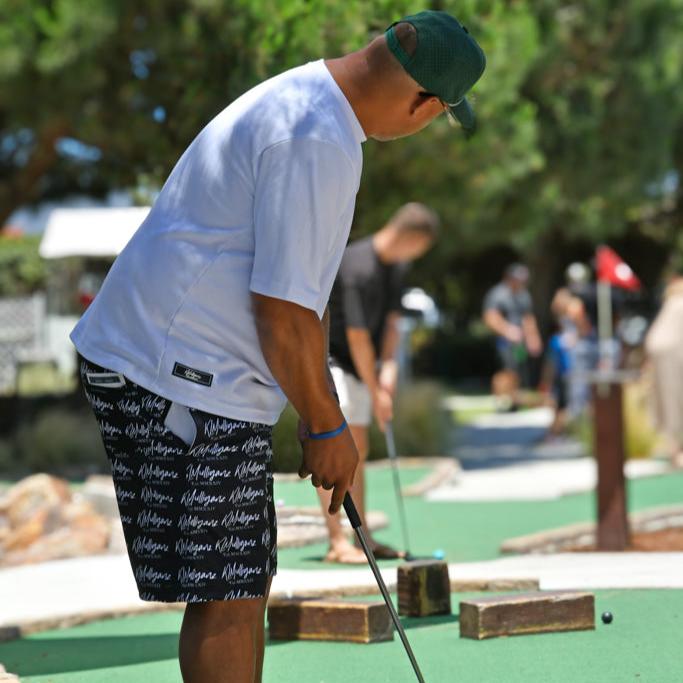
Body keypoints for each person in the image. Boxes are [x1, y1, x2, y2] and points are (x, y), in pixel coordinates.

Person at [69, 11, 485, 683]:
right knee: (228, 591)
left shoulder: (304, 97)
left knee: (241, 579)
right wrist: (325, 424)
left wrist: (316, 412)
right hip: (176, 375)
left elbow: (289, 308)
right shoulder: (318, 136)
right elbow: (284, 313)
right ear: (420, 102)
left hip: (178, 367)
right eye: (436, 116)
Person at [319, 203, 439, 563]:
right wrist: (376, 391)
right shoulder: (356, 265)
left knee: (358, 452)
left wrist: (389, 371)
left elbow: (391, 323)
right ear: (412, 238)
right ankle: (338, 541)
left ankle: (363, 537)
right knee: (336, 449)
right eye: (422, 247)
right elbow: (355, 336)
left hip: (364, 365)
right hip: (334, 361)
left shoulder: (396, 267)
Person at [482, 263, 542, 409]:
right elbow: (490, 317)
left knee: (518, 371)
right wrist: (507, 330)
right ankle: (501, 400)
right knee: (506, 370)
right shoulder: (497, 294)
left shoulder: (523, 295)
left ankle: (514, 401)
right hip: (503, 340)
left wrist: (533, 338)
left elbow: (528, 318)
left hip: (519, 342)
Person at [644, 269, 683, 468]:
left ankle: (674, 450)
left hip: (663, 352)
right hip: (673, 354)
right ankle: (675, 452)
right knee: (673, 402)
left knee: (669, 402)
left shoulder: (673, 302)